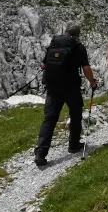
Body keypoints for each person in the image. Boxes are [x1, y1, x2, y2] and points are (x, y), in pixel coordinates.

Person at [33, 23, 97, 167]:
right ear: (77, 35)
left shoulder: (54, 44)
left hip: (52, 88)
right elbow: (86, 68)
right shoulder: (78, 47)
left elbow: (43, 65)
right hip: (71, 88)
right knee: (75, 114)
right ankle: (73, 145)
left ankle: (41, 153)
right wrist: (92, 82)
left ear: (65, 32)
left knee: (49, 119)